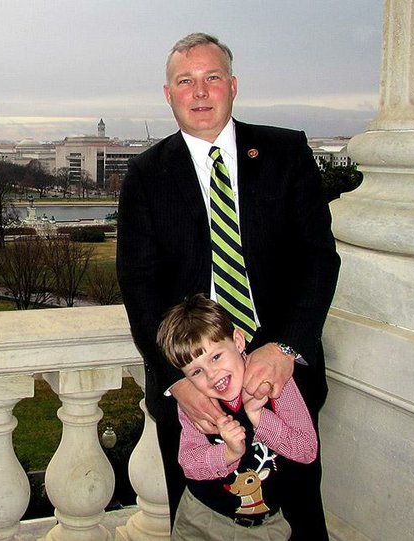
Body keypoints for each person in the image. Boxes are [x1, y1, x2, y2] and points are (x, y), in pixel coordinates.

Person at [116, 32, 340, 540]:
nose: (200, 92)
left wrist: (283, 349)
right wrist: (177, 380)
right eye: (185, 81)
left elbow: (318, 259)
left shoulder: (285, 152)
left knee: (300, 515)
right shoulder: (146, 175)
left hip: (282, 374)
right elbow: (139, 285)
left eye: (212, 78)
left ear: (233, 86)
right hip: (193, 382)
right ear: (168, 94)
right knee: (202, 517)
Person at [156, 294, 318, 540]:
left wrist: (260, 418)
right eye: (196, 371)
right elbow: (189, 462)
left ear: (238, 341)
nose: (212, 375)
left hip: (263, 528)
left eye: (216, 357)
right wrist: (228, 454)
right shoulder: (199, 403)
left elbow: (306, 450)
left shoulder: (273, 385)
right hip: (200, 519)